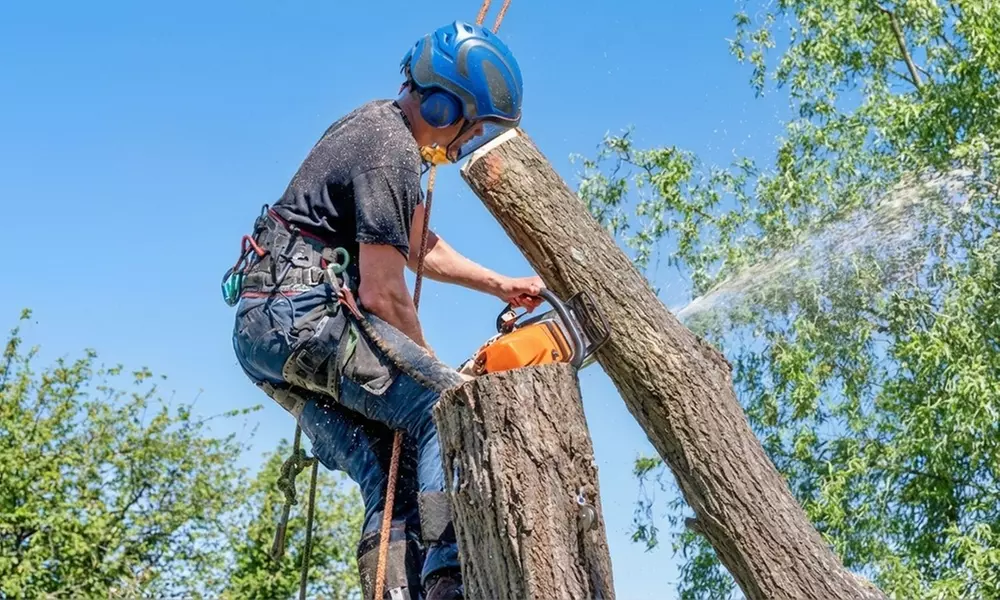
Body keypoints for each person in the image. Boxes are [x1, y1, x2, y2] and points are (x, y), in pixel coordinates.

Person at [225, 20, 542, 600]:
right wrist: (430, 368)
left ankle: (397, 591)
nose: (463, 143)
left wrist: (499, 284)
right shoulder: (389, 149)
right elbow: (383, 294)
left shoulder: (375, 130)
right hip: (305, 317)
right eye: (470, 127)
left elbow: (416, 241)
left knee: (386, 462)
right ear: (446, 107)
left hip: (263, 329)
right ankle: (450, 583)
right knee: (446, 409)